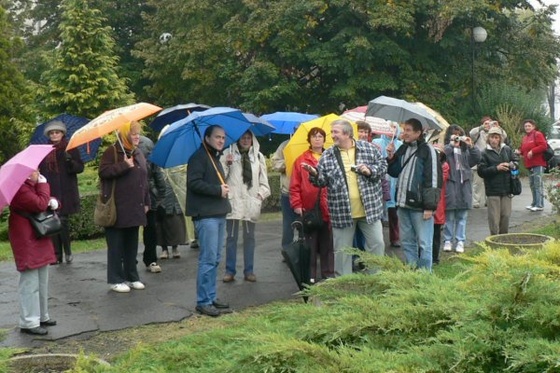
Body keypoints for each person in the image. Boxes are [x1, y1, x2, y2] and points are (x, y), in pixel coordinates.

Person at [304, 119, 386, 276]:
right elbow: (322, 181)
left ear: (347, 134)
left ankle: (375, 279)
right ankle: (344, 285)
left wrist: (370, 171)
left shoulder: (368, 149)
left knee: (377, 244)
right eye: (332, 132)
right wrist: (315, 174)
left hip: (370, 209)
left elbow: (382, 167)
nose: (332, 135)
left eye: (336, 132)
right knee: (342, 252)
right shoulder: (327, 155)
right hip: (342, 212)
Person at [99, 121, 150, 293]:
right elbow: (104, 172)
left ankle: (132, 276)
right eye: (133, 133)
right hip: (117, 207)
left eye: (138, 133)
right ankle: (115, 279)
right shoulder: (112, 151)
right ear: (124, 134)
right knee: (116, 246)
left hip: (135, 207)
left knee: (131, 245)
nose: (136, 136)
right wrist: (124, 166)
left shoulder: (137, 153)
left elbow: (144, 179)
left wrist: (147, 201)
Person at [187, 125, 231, 317]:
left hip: (219, 213)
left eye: (223, 137)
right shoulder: (198, 158)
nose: (221, 140)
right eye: (217, 137)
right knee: (208, 259)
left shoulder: (214, 157)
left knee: (215, 259)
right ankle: (203, 301)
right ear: (207, 138)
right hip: (206, 216)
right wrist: (217, 190)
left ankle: (211, 296)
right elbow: (193, 183)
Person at [386, 118, 442, 271]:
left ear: (418, 132)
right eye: (404, 130)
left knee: (424, 243)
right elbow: (394, 172)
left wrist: (430, 207)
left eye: (408, 130)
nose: (404, 133)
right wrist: (391, 158)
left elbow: (434, 179)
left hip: (420, 206)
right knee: (407, 242)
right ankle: (412, 273)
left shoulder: (428, 150)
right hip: (403, 204)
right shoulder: (403, 148)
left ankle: (424, 276)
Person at [9, 170, 59, 335]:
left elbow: (43, 201)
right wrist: (44, 185)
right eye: (31, 170)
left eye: (37, 169)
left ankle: (42, 316)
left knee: (42, 280)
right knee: (30, 282)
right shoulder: (20, 189)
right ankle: (29, 322)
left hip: (37, 234)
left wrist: (52, 201)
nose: (36, 172)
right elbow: (38, 204)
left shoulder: (31, 186)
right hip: (26, 237)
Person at [221, 130, 271, 283]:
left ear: (252, 139)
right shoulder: (227, 154)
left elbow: (265, 184)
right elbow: (220, 178)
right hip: (234, 201)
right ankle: (230, 271)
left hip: (251, 201)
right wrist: (227, 164)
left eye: (249, 138)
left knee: (249, 238)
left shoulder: (258, 156)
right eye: (243, 137)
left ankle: (249, 271)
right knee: (231, 238)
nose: (246, 140)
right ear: (238, 139)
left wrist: (259, 196)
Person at [290, 127, 334, 282]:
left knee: (327, 243)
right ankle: (310, 276)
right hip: (309, 208)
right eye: (314, 136)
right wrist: (296, 204)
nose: (317, 139)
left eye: (320, 136)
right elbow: (295, 185)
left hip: (328, 207)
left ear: (324, 139)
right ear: (309, 140)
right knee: (310, 244)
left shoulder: (330, 157)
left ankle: (328, 273)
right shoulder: (301, 159)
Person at [39, 120, 84, 264]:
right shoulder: (44, 150)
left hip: (66, 190)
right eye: (51, 133)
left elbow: (79, 168)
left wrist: (70, 161)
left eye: (57, 132)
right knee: (52, 221)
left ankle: (68, 251)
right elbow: (40, 170)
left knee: (63, 222)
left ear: (62, 133)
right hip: (50, 189)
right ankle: (56, 255)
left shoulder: (70, 148)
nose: (54, 135)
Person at [442, 125, 481, 253]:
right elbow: (442, 156)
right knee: (449, 216)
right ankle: (447, 240)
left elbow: (477, 158)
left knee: (462, 217)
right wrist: (451, 145)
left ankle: (460, 241)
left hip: (464, 186)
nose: (457, 137)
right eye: (454, 135)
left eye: (459, 134)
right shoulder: (447, 150)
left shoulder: (466, 151)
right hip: (451, 185)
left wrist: (471, 145)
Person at [478, 126, 519, 235]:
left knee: (505, 216)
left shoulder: (507, 149)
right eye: (492, 137)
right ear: (488, 138)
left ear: (500, 138)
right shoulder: (484, 153)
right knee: (494, 219)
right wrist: (497, 168)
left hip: (507, 189)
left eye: (496, 137)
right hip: (493, 190)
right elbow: (481, 171)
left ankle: (503, 239)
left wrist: (511, 165)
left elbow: (516, 161)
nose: (494, 140)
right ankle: (494, 240)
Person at [137, 135, 166, 273]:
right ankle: (133, 260)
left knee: (150, 230)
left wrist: (160, 195)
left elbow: (157, 173)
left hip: (149, 196)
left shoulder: (147, 146)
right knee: (134, 230)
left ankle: (151, 259)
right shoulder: (125, 152)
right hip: (134, 198)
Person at [372, 125, 402, 248]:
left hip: (394, 181)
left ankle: (395, 238)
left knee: (393, 211)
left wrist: (393, 154)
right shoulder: (376, 142)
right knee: (378, 211)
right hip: (380, 180)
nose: (392, 131)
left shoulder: (400, 144)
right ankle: (377, 239)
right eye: (389, 128)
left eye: (394, 128)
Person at [469, 117, 508, 209]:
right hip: (479, 162)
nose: (488, 125)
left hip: (492, 162)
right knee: (477, 184)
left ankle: (488, 200)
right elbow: (471, 133)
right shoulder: (478, 133)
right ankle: (476, 201)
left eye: (490, 123)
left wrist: (498, 127)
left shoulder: (494, 134)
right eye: (486, 123)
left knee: (490, 182)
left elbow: (504, 136)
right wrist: (481, 127)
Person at [272, 139, 299, 251]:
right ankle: (287, 250)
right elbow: (275, 164)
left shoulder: (311, 145)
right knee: (288, 224)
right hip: (288, 192)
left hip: (306, 193)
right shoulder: (284, 145)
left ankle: (306, 251)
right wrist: (288, 162)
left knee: (307, 224)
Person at [518, 119, 547, 212]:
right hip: (529, 164)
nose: (527, 127)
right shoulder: (525, 137)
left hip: (538, 163)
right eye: (526, 126)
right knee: (532, 184)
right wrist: (519, 152)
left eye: (529, 126)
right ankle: (534, 203)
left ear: (533, 126)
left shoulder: (537, 134)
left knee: (538, 184)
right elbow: (523, 150)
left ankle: (539, 205)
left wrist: (532, 151)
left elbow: (543, 146)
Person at [432, 147, 449, 265]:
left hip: (438, 204)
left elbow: (440, 180)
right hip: (427, 203)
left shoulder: (444, 166)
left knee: (436, 233)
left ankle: (435, 257)